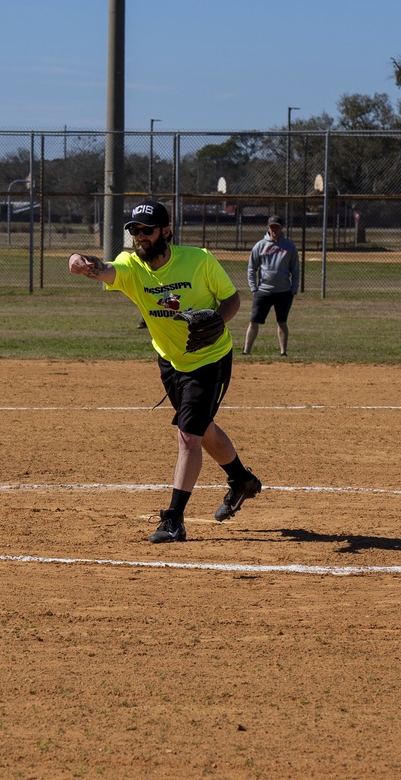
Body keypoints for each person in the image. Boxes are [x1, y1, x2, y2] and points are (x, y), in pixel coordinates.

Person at [69, 201, 261, 544]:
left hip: (210, 359)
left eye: (146, 230)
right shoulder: (131, 266)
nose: (139, 237)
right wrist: (80, 263)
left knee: (188, 435)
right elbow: (103, 269)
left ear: (166, 232)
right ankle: (241, 481)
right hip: (170, 362)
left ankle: (174, 519)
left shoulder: (199, 260)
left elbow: (231, 300)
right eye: (134, 231)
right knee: (201, 430)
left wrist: (219, 319)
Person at [243, 216, 300, 356]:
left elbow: (295, 270)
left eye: (277, 227)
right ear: (268, 228)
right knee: (254, 321)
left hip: (284, 291)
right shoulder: (260, 246)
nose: (274, 230)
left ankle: (283, 352)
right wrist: (253, 288)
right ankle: (246, 351)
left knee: (282, 322)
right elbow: (252, 268)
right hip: (263, 291)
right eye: (272, 227)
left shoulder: (289, 247)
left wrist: (294, 289)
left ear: (282, 228)